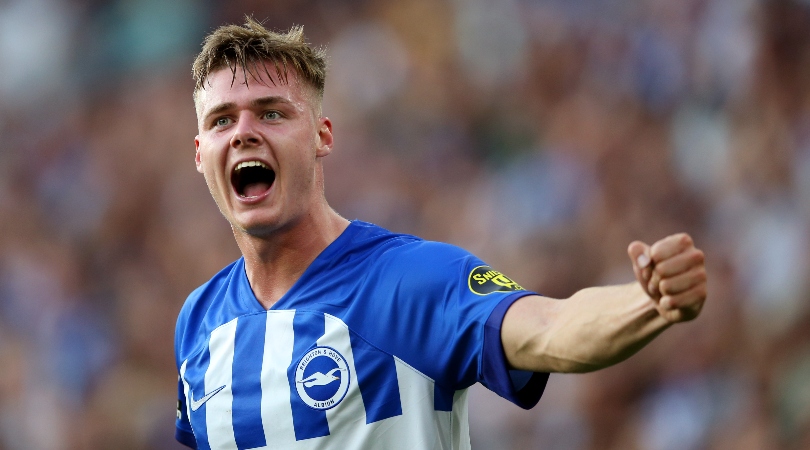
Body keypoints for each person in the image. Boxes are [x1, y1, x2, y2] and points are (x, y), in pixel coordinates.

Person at [174, 18, 707, 450]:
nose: (244, 132)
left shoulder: (407, 282)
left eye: (271, 113)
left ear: (321, 136)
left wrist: (647, 303)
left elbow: (550, 326)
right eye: (221, 120)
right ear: (200, 155)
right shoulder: (199, 324)